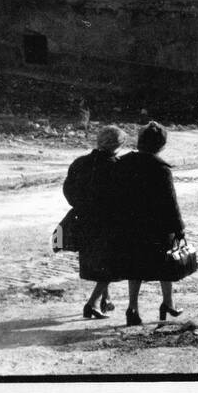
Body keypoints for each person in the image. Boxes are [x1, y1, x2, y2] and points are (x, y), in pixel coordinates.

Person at [112, 122, 188, 326]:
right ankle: (168, 303)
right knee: (166, 263)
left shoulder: (123, 162)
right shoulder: (161, 169)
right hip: (157, 227)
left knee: (134, 266)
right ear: (161, 145)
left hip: (130, 224)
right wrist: (179, 228)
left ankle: (133, 308)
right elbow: (171, 202)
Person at [64, 125, 122, 320]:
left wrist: (80, 206)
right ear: (117, 146)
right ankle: (93, 303)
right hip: (108, 222)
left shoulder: (80, 162)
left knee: (99, 262)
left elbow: (68, 189)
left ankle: (106, 299)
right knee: (113, 263)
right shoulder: (116, 166)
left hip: (85, 220)